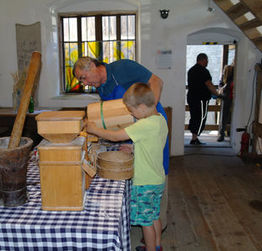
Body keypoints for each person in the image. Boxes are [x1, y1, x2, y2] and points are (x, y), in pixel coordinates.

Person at [73, 57, 170, 231]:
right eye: (81, 81)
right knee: (139, 169)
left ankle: (156, 223)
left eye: (84, 77)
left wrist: (148, 114)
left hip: (150, 127)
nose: (85, 83)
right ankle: (144, 220)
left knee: (156, 166)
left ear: (94, 66)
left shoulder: (123, 67)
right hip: (133, 131)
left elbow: (157, 81)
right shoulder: (102, 88)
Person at [86, 83, 168, 251]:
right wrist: (133, 147)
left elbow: (115, 137)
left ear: (143, 107)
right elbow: (151, 144)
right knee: (154, 216)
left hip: (144, 182)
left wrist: (95, 129)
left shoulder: (143, 125)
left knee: (146, 223)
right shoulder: (159, 120)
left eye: (132, 110)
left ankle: (150, 248)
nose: (131, 114)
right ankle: (158, 246)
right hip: (157, 179)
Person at [187, 53, 221, 145]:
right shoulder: (204, 71)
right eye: (206, 60)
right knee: (201, 118)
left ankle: (194, 137)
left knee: (194, 117)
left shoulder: (191, 70)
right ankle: (195, 138)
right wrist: (217, 94)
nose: (207, 62)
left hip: (191, 97)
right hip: (201, 99)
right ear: (202, 60)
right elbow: (209, 84)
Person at [217, 63, 234, 142]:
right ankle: (222, 134)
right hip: (227, 97)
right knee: (224, 117)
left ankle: (225, 133)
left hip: (231, 96)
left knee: (226, 116)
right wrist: (221, 89)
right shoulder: (227, 71)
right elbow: (220, 83)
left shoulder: (234, 72)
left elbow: (222, 84)